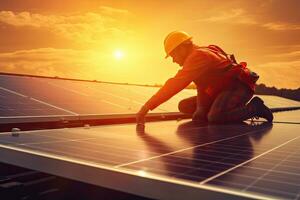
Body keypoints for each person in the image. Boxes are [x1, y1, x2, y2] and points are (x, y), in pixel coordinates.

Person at [136, 31, 273, 126]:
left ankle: (255, 108)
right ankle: (228, 108)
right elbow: (202, 85)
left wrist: (147, 106)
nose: (173, 60)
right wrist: (201, 108)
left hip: (238, 87)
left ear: (182, 48)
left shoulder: (198, 56)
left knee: (215, 117)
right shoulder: (197, 55)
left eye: (173, 55)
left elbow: (175, 83)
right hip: (222, 90)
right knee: (185, 106)